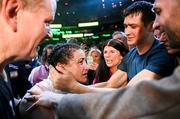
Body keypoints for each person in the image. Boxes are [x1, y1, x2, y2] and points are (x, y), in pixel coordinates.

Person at [27, 0, 180, 118]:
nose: (127, 32)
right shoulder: (132, 55)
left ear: (149, 26)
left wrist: (72, 88)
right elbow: (110, 84)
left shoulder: (162, 52)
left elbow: (130, 94)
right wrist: (66, 92)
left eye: (133, 26)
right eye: (125, 26)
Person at [0, 0, 57, 118]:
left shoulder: (3, 67)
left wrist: (25, 105)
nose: (50, 34)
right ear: (13, 11)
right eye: (46, 22)